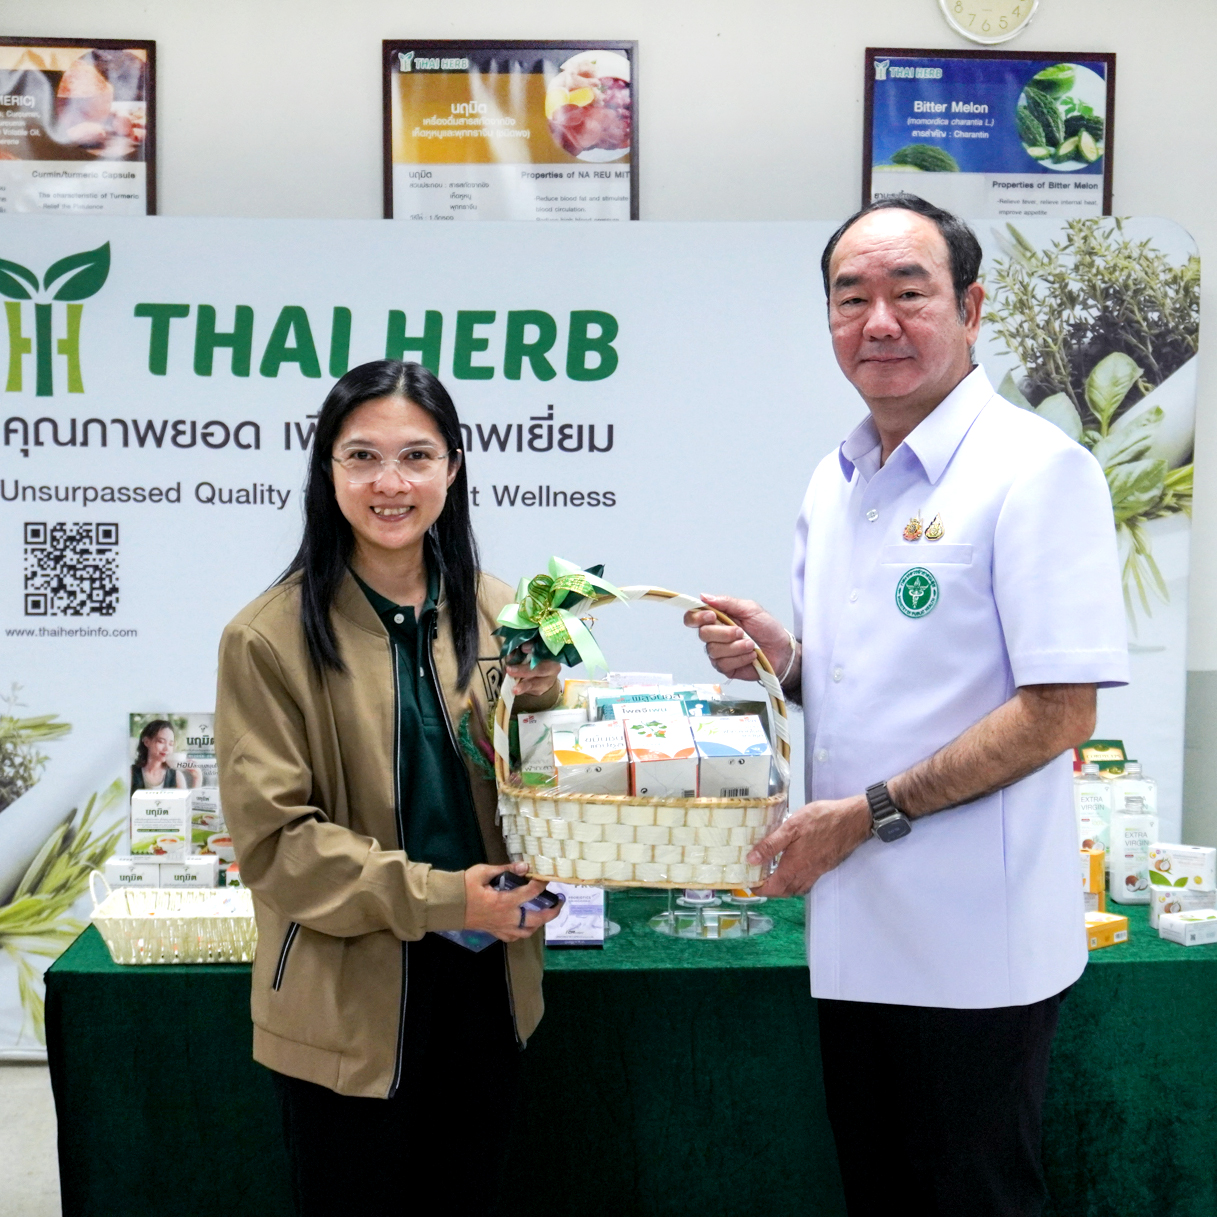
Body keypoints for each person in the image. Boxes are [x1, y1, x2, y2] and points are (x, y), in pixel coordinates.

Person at [685, 194, 1128, 1216]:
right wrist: (786, 661)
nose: (876, 321)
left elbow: (1059, 711)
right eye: (850, 298)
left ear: (969, 308)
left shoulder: (1037, 470)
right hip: (855, 925)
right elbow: (874, 679)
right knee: (880, 1193)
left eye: (908, 292)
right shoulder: (836, 478)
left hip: (973, 942)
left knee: (969, 1195)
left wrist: (867, 813)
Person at [215, 360, 563, 1217]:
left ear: (453, 467)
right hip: (344, 1003)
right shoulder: (265, 638)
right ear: (327, 469)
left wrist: (544, 699)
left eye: (416, 456)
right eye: (362, 456)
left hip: (487, 990)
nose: (391, 483)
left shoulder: (503, 611)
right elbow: (278, 846)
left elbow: (535, 780)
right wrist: (447, 898)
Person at [130, 718, 199, 793]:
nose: (166, 749)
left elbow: (186, 800)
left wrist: (197, 778)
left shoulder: (176, 776)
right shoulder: (131, 773)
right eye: (161, 742)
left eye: (171, 744)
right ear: (146, 742)